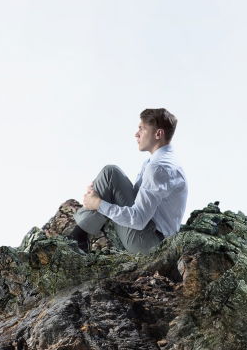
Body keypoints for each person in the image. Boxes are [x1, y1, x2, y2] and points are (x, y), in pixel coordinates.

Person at [67, 108, 188, 254]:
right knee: (110, 173)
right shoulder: (162, 159)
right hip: (153, 234)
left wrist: (98, 203)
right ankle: (79, 235)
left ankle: (77, 238)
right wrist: (101, 194)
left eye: (142, 129)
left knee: (108, 181)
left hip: (152, 244)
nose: (136, 134)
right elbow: (138, 200)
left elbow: (138, 219)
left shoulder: (158, 168)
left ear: (158, 134)